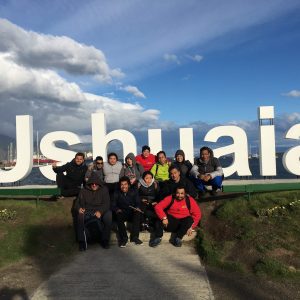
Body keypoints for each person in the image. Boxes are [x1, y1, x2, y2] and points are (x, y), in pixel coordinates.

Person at [76, 173, 112, 251]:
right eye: (92, 183)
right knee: (80, 216)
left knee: (108, 215)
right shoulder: (83, 190)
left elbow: (107, 203)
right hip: (88, 210)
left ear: (99, 183)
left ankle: (105, 240)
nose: (94, 185)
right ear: (90, 183)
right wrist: (79, 208)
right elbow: (78, 203)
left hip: (100, 210)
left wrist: (100, 211)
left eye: (96, 184)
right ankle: (81, 242)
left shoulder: (104, 189)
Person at [112, 176, 143, 247]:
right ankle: (124, 238)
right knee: (118, 215)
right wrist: (117, 209)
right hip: (122, 212)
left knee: (137, 213)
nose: (123, 186)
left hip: (131, 212)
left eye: (125, 184)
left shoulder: (134, 191)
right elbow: (113, 204)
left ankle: (134, 237)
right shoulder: (116, 193)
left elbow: (137, 202)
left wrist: (137, 207)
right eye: (122, 184)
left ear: (128, 185)